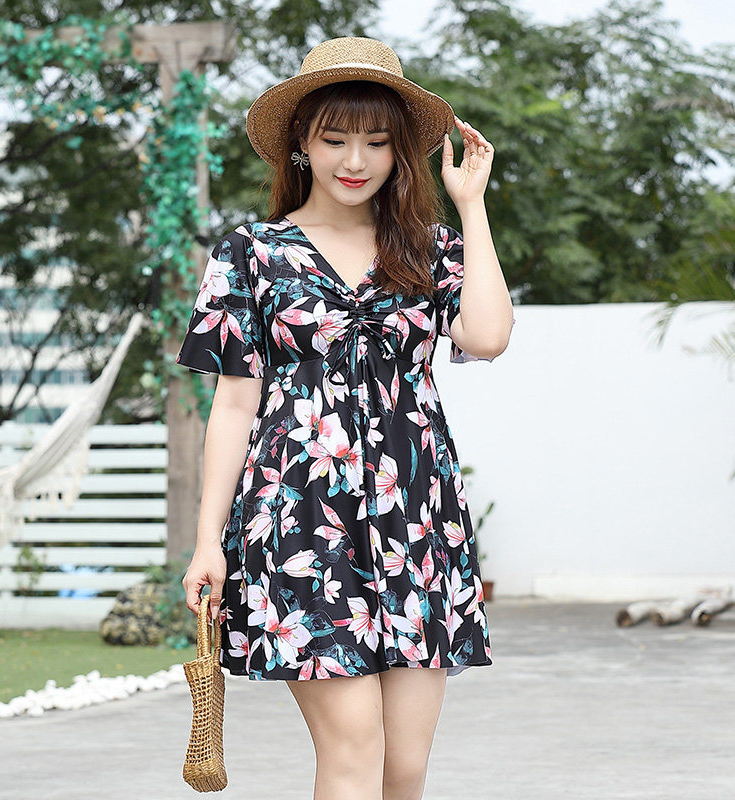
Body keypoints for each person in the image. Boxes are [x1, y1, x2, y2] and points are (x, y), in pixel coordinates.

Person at [178, 35, 515, 800]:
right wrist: (207, 542)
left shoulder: (428, 249)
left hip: (417, 519)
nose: (355, 160)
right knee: (355, 752)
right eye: (335, 139)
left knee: (404, 768)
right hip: (301, 521)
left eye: (376, 141)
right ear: (302, 142)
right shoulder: (252, 253)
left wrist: (471, 206)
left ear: (401, 152)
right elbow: (234, 404)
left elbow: (488, 336)